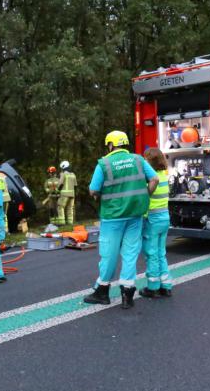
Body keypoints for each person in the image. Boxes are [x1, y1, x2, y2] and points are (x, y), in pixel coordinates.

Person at [84, 131, 159, 309]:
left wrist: (99, 196)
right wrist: (145, 194)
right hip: (135, 214)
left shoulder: (104, 164)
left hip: (113, 217)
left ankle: (102, 292)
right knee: (130, 254)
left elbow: (93, 190)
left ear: (110, 145)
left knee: (109, 254)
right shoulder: (139, 160)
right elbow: (154, 179)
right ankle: (127, 294)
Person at [138, 148, 173, 298]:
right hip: (164, 217)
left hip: (152, 220)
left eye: (145, 160)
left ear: (150, 163)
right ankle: (166, 286)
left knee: (151, 254)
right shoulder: (164, 176)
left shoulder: (151, 180)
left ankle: (153, 287)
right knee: (161, 253)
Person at [56, 160, 77, 226]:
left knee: (60, 207)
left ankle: (62, 223)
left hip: (64, 194)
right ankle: (70, 223)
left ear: (63, 167)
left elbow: (60, 183)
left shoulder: (63, 174)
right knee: (70, 208)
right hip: (72, 194)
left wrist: (57, 190)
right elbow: (75, 185)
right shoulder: (73, 175)